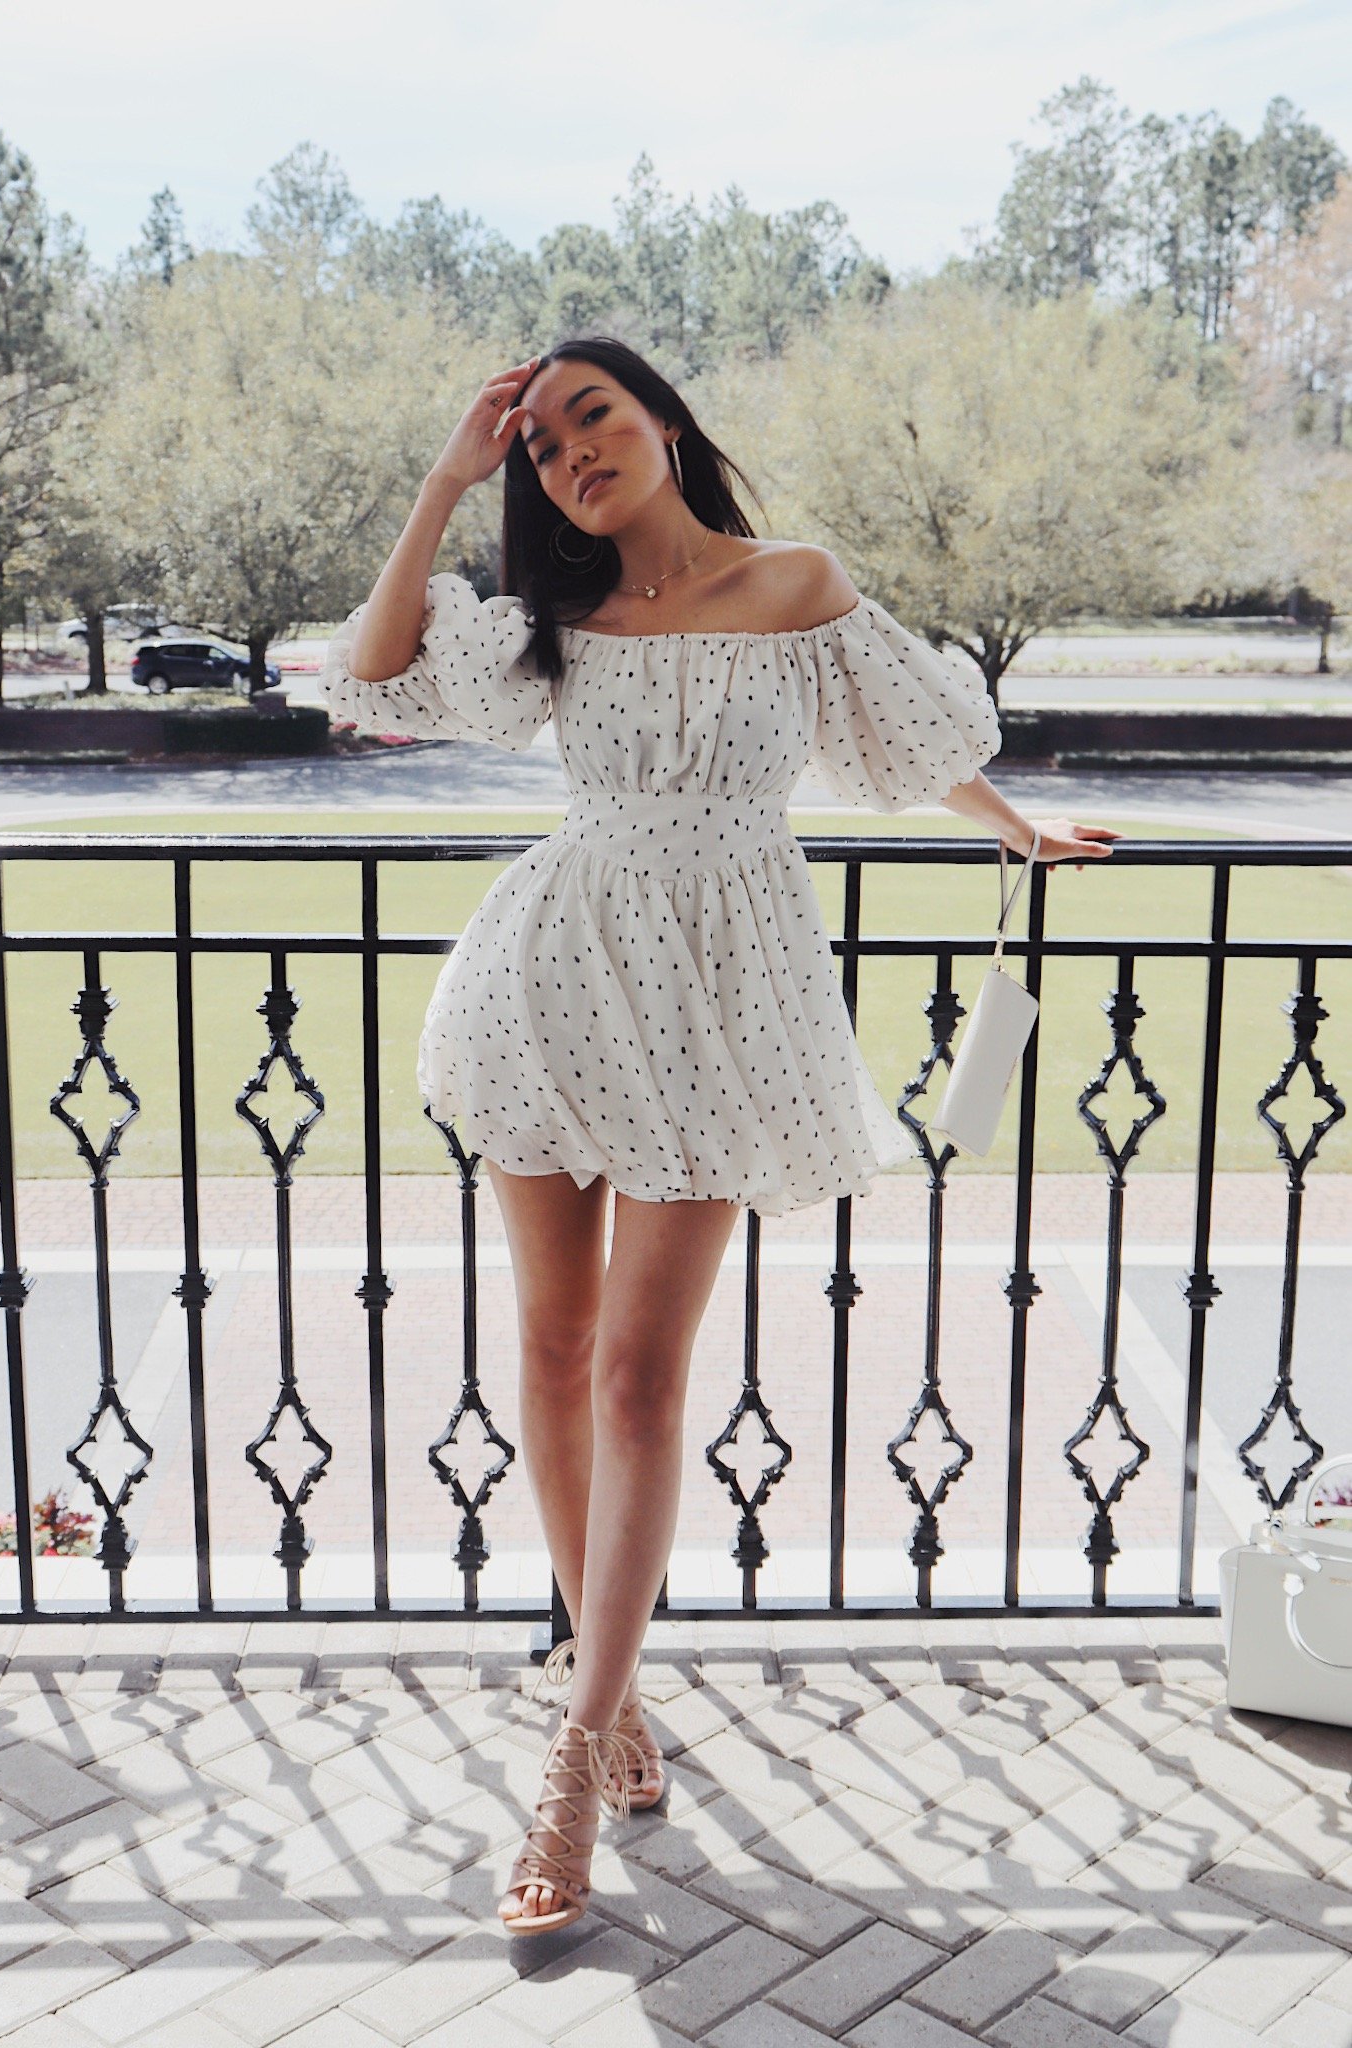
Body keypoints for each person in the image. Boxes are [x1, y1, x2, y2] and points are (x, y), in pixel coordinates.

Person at [320, 335, 1118, 1936]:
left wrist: (1016, 828)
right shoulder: (553, 619)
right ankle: (605, 1696)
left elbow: (908, 740)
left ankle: (569, 1748)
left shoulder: (796, 583)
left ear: (664, 420)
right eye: (540, 446)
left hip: (724, 990)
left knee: (636, 1371)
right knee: (549, 1354)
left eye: (590, 418)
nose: (568, 457)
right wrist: (442, 480)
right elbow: (373, 673)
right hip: (552, 971)